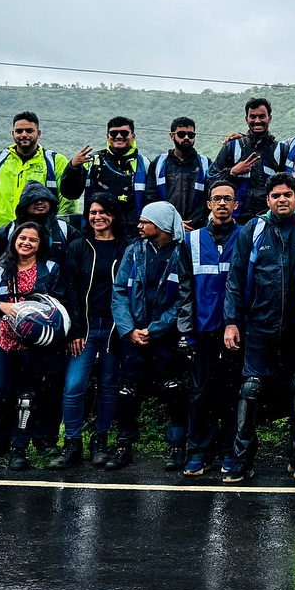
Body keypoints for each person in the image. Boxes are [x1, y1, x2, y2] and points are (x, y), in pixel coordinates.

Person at [221, 173, 295, 482]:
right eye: (276, 195)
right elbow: (235, 280)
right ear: (268, 200)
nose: (282, 199)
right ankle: (242, 458)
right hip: (259, 325)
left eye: (288, 194)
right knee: (250, 390)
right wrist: (232, 322)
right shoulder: (254, 229)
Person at [0, 222, 72, 473]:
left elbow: (61, 303)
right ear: (14, 240)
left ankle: (19, 451)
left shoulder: (51, 269)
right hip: (0, 341)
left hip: (35, 346)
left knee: (28, 399)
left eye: (33, 240)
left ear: (40, 244)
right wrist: (1, 307)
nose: (27, 243)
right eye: (22, 238)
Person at [0, 179, 76, 452]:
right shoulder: (3, 234)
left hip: (48, 329)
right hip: (4, 330)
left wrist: (69, 323)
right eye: (34, 200)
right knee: (3, 390)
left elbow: (72, 280)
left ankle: (44, 440)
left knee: (44, 389)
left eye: (45, 199)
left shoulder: (66, 232)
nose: (40, 204)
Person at [108, 201, 191, 471]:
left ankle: (178, 446)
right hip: (133, 335)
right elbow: (119, 291)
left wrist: (155, 329)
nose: (139, 225)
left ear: (162, 225)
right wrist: (129, 329)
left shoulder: (182, 253)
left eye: (145, 221)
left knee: (174, 390)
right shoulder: (134, 251)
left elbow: (183, 298)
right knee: (127, 391)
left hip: (165, 336)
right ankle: (124, 445)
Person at [178, 181, 244, 477]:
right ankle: (198, 452)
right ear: (208, 204)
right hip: (203, 329)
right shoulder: (191, 242)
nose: (221, 204)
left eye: (227, 199)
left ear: (235, 205)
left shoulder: (246, 237)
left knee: (232, 393)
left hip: (236, 330)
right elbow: (184, 290)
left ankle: (229, 452)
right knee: (200, 392)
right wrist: (186, 331)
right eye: (216, 198)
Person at [58, 197, 129, 468]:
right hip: (85, 329)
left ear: (113, 215)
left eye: (103, 212)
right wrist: (75, 329)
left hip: (114, 329)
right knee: (74, 386)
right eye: (93, 212)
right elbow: (71, 290)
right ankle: (72, 444)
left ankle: (101, 441)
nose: (98, 217)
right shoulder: (78, 247)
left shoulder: (126, 248)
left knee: (109, 387)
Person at [0, 111, 75, 252]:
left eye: (29, 131)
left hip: (41, 236)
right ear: (12, 134)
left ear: (38, 133)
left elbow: (67, 201)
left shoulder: (55, 161)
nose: (24, 135)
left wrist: (58, 232)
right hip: (1, 234)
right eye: (19, 131)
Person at [61, 115, 149, 234]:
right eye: (113, 133)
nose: (118, 136)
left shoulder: (144, 164)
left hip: (132, 233)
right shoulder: (92, 162)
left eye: (124, 133)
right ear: (108, 137)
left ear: (132, 136)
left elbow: (151, 199)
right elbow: (70, 194)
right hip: (96, 231)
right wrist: (73, 167)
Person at [214, 97, 291, 221]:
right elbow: (211, 179)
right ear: (246, 119)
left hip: (270, 221)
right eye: (252, 117)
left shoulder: (281, 150)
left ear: (269, 118)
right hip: (235, 221)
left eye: (262, 116)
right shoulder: (232, 147)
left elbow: (291, 186)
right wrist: (232, 172)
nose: (257, 121)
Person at [0, 179, 76, 266]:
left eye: (44, 199)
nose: (40, 202)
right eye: (34, 200)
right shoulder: (5, 233)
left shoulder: (64, 230)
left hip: (58, 283)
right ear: (24, 205)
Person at [146, 116, 210, 230]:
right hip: (165, 228)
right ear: (172, 135)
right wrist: (172, 221)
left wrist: (192, 222)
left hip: (195, 229)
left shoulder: (205, 164)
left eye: (190, 135)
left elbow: (208, 198)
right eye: (181, 134)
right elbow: (151, 196)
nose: (186, 138)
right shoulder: (159, 163)